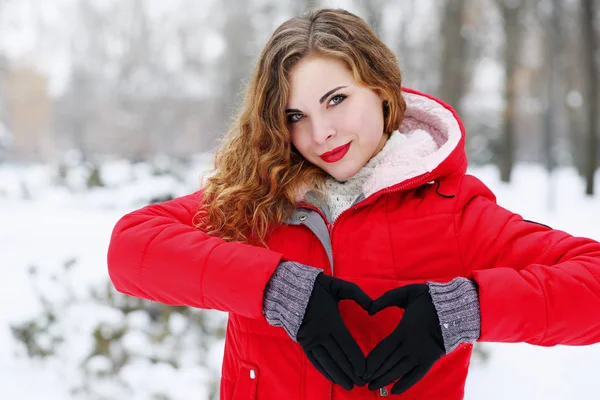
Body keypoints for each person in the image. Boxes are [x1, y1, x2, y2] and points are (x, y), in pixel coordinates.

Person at [107, 8, 600, 400]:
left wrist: (462, 309)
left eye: (336, 99)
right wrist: (277, 289)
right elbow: (131, 249)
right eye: (295, 115)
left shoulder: (452, 213)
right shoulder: (259, 199)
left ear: (381, 89)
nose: (319, 133)